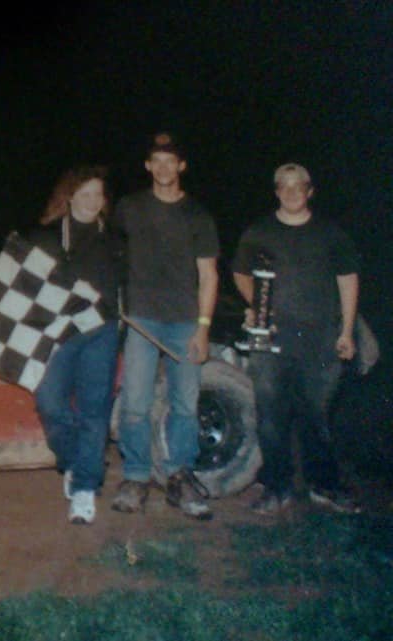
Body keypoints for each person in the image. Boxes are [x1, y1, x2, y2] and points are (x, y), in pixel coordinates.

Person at [232, 163, 361, 515]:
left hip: (320, 340)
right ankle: (277, 486)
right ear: (276, 192)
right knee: (270, 416)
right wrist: (257, 307)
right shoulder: (259, 231)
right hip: (271, 340)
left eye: (298, 186)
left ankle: (324, 485)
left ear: (310, 191)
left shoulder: (331, 233)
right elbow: (240, 273)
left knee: (316, 416)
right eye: (284, 187)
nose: (291, 192)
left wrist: (347, 331)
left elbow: (348, 280)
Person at [109, 132, 219, 520]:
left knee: (185, 406)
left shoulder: (198, 215)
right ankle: (137, 477)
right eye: (157, 160)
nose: (163, 167)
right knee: (135, 402)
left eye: (171, 160)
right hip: (140, 319)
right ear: (147, 165)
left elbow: (209, 275)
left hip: (185, 322)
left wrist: (203, 327)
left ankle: (178, 477)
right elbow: (108, 250)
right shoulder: (129, 207)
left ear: (182, 166)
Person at [29, 166, 123, 524]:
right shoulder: (48, 236)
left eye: (98, 194)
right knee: (48, 402)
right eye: (84, 193)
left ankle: (85, 488)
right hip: (58, 333)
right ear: (69, 196)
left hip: (101, 332)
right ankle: (74, 460)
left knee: (94, 410)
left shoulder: (115, 239)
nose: (91, 201)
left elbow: (124, 285)